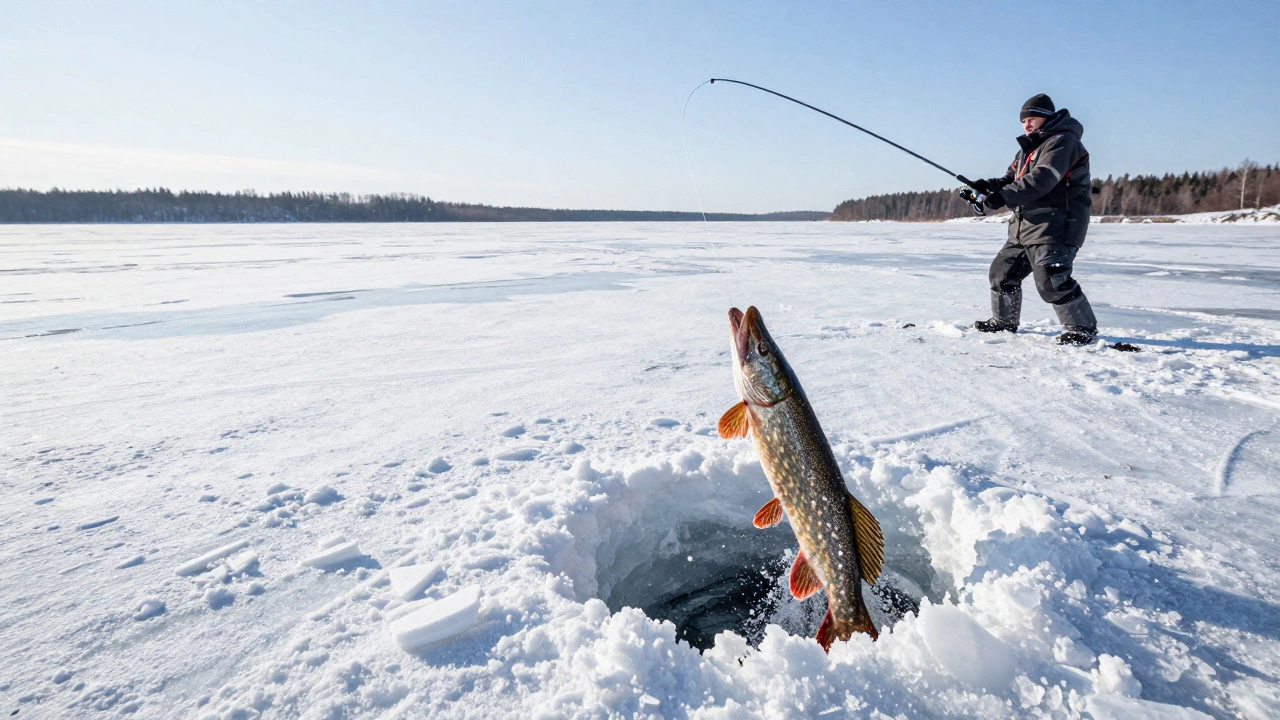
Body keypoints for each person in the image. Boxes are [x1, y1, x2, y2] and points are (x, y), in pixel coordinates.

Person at [969, 94, 1098, 345]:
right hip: (1025, 226)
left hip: (1056, 225)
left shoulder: (1063, 141)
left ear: (1047, 118)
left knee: (1051, 279)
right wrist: (987, 186)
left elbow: (1042, 179)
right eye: (1023, 121)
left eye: (1032, 119)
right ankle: (1004, 322)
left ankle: (1082, 328)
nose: (1027, 125)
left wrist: (1002, 197)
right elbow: (1010, 180)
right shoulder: (1028, 149)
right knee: (1002, 273)